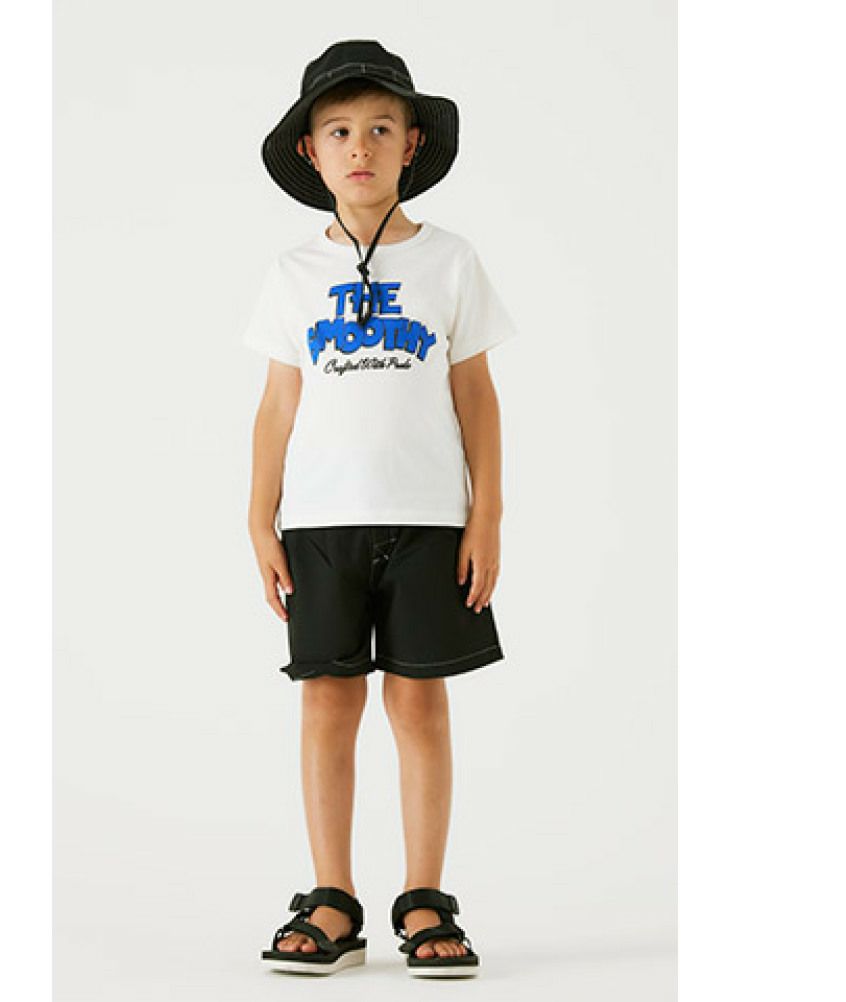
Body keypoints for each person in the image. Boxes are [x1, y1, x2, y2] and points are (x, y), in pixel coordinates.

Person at [242, 39, 519, 978]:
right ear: (311, 153)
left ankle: (425, 896)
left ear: (412, 144)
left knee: (418, 700)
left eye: (379, 129)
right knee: (327, 701)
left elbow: (476, 394)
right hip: (321, 524)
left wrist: (487, 514)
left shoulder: (451, 262)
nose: (359, 146)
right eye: (339, 132)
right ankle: (332, 898)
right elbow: (277, 405)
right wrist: (259, 519)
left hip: (430, 519)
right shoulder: (291, 272)